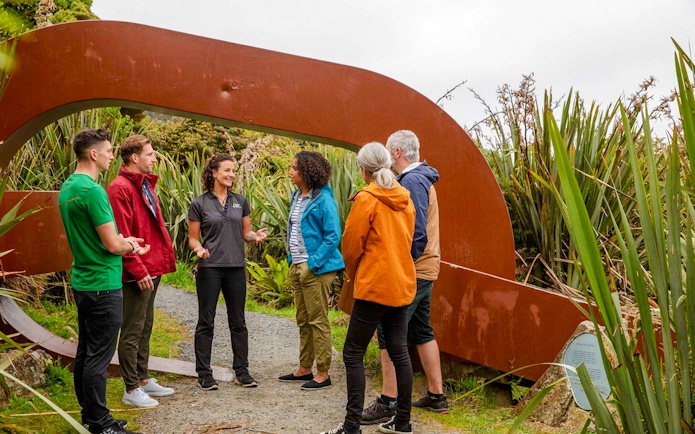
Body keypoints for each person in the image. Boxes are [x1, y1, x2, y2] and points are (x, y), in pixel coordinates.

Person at [59, 128, 150, 434]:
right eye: (109, 151)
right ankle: (99, 423)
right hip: (103, 282)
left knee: (86, 352)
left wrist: (124, 239)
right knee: (98, 357)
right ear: (94, 154)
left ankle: (89, 415)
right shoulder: (93, 191)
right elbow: (112, 246)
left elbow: (98, 236)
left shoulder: (69, 187)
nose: (113, 155)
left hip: (84, 281)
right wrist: (132, 245)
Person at [321, 142, 416, 434]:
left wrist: (354, 274)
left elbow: (350, 246)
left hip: (374, 285)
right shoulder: (406, 199)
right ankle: (402, 423)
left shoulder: (367, 198)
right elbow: (409, 241)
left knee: (353, 353)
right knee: (400, 352)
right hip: (401, 284)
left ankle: (351, 427)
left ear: (363, 170)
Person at [361, 130, 447, 426]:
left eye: (388, 150)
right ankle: (436, 396)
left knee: (388, 332)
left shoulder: (411, 180)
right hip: (427, 267)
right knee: (422, 330)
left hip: (415, 269)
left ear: (397, 153)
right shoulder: (423, 177)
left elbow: (417, 233)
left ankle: (388, 400)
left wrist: (400, 264)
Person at [107, 135, 177, 408]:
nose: (154, 158)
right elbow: (121, 235)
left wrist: (157, 265)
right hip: (137, 271)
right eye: (149, 154)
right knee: (133, 329)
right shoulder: (119, 189)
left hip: (152, 267)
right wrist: (137, 269)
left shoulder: (145, 184)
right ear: (134, 158)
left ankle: (144, 379)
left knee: (146, 325)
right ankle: (130, 387)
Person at [188, 153, 268, 390]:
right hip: (210, 269)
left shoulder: (240, 201)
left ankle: (242, 371)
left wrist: (255, 237)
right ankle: (204, 373)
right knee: (206, 321)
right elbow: (193, 239)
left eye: (233, 171)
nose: (231, 174)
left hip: (235, 268)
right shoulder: (199, 203)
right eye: (227, 170)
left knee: (238, 322)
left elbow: (246, 232)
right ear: (214, 173)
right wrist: (199, 249)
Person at [279, 151, 344, 391]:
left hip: (315, 268)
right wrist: (292, 261)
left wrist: (312, 264)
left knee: (318, 320)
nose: (291, 171)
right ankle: (304, 367)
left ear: (306, 171)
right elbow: (294, 232)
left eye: (294, 168)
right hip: (298, 265)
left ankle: (323, 373)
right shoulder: (298, 196)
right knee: (303, 319)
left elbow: (333, 236)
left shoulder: (323, 200)